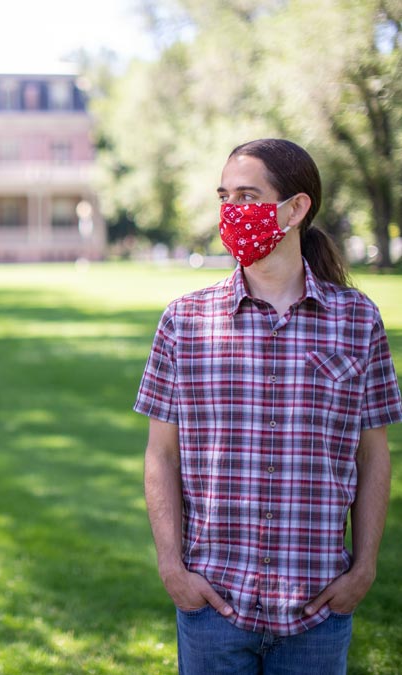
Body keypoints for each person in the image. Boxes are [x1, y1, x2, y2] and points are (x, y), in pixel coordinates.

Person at [135, 138, 402, 674]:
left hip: (319, 609)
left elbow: (374, 455)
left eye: (248, 196)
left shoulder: (357, 321)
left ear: (297, 207)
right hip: (213, 604)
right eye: (225, 197)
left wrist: (364, 568)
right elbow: (160, 455)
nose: (233, 211)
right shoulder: (184, 321)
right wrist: (171, 567)